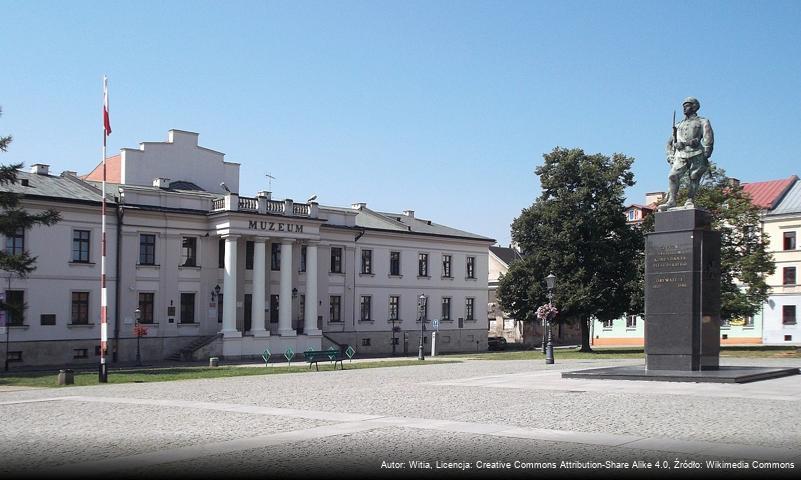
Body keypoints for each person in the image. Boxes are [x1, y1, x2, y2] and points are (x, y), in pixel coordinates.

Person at [657, 97, 714, 211]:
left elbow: (708, 137)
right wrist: (670, 155)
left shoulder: (703, 121)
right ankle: (671, 201)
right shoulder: (678, 125)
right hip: (681, 155)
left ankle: (690, 199)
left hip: (697, 153)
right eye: (683, 106)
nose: (684, 108)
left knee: (694, 177)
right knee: (672, 176)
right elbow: (669, 143)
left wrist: (707, 152)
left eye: (687, 105)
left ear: (694, 107)